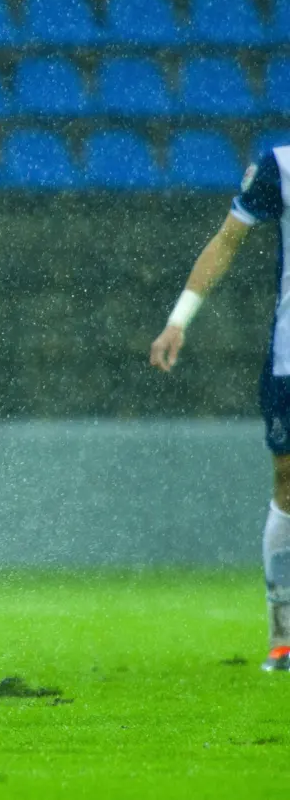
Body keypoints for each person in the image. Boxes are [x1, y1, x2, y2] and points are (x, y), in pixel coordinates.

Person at [150, 143, 290, 673]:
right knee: (288, 483)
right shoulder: (280, 165)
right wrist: (179, 319)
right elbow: (228, 241)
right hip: (289, 358)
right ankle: (283, 637)